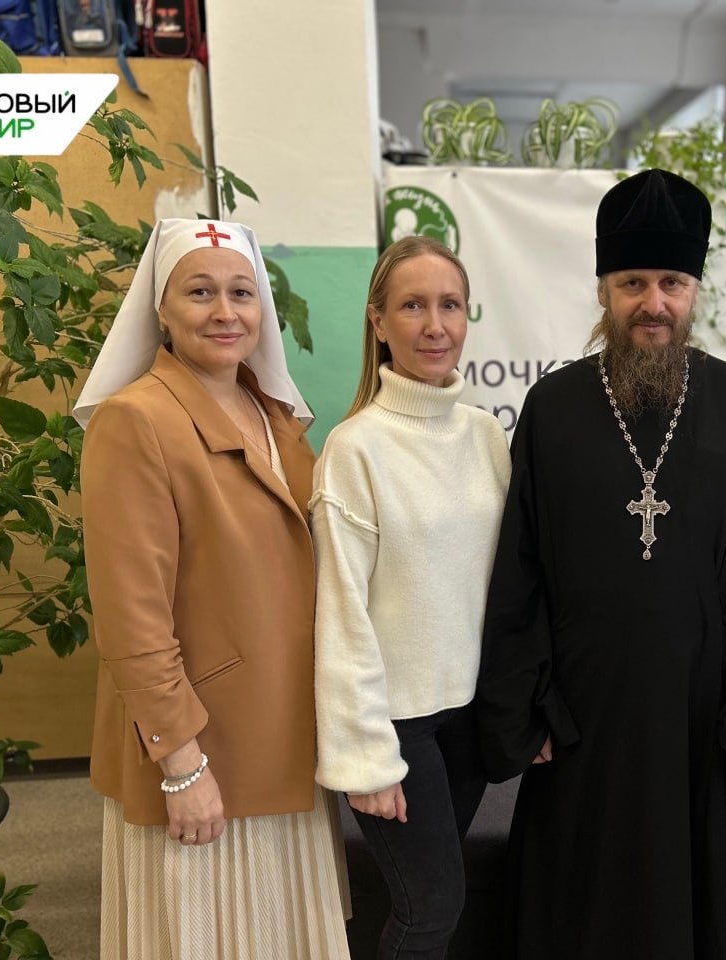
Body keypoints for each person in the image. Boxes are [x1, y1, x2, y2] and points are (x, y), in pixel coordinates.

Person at [475, 168, 726, 960]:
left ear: (695, 292)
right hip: (581, 712)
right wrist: (524, 709)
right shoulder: (553, 406)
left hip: (704, 713)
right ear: (603, 290)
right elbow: (519, 571)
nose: (653, 304)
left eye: (672, 284)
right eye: (633, 283)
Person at [76, 218, 351, 960]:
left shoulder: (275, 415)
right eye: (200, 292)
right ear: (161, 310)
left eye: (241, 292)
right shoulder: (135, 421)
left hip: (284, 737)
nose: (225, 312)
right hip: (208, 754)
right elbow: (131, 614)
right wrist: (180, 763)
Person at [311, 235, 511, 959]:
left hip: (468, 721)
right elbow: (340, 613)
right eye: (412, 306)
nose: (434, 325)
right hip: (398, 726)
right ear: (378, 321)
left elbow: (505, 586)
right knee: (429, 911)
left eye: (450, 305)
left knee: (440, 904)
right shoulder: (355, 449)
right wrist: (364, 757)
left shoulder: (485, 435)